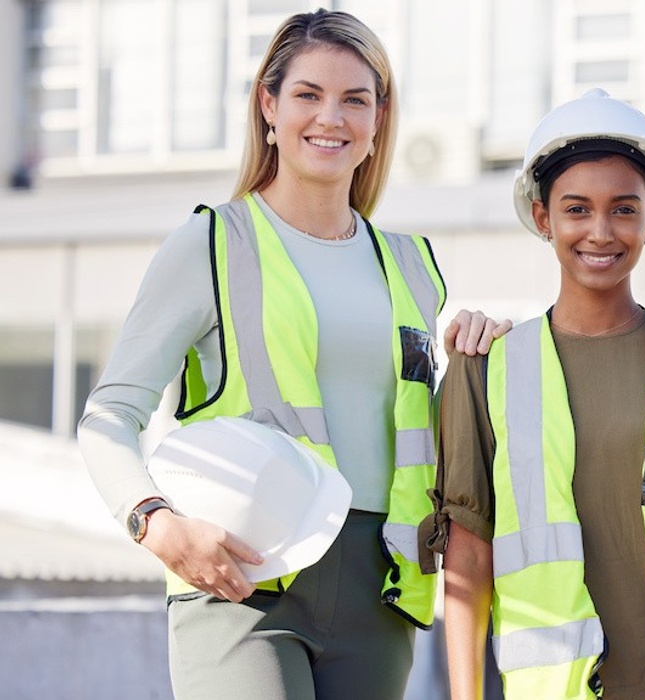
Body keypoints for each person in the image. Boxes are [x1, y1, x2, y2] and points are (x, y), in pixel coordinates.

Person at [77, 9, 507, 699]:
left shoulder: (414, 266)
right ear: (268, 105)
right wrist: (154, 524)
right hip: (243, 583)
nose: (329, 117)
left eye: (354, 99)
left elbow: (417, 426)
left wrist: (475, 349)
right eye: (308, 94)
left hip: (380, 590)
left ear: (377, 120)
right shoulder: (212, 245)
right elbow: (108, 416)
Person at [427, 88, 645, 700]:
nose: (601, 232)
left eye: (624, 210)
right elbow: (467, 557)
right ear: (543, 216)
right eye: (577, 209)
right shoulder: (486, 370)